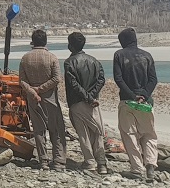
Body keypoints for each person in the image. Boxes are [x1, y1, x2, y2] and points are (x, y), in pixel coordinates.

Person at [113, 27, 159, 181]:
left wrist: (132, 95)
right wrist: (144, 95)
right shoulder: (147, 56)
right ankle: (150, 166)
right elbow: (153, 79)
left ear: (122, 41)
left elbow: (119, 79)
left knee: (129, 134)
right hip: (146, 103)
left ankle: (137, 169)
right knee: (149, 134)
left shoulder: (119, 55)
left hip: (127, 101)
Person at [19, 29, 67, 170]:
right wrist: (41, 89)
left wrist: (33, 92)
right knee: (56, 128)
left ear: (32, 42)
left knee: (38, 130)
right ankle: (58, 160)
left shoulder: (25, 58)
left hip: (33, 99)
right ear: (45, 41)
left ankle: (43, 160)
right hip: (50, 97)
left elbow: (22, 81)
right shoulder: (52, 58)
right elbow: (56, 78)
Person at [64, 32, 108, 174]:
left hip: (77, 102)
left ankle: (89, 162)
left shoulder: (69, 62)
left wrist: (87, 97)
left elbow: (73, 84)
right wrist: (92, 96)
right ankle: (101, 163)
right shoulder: (94, 61)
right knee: (97, 132)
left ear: (71, 45)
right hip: (94, 103)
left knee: (83, 133)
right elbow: (101, 80)